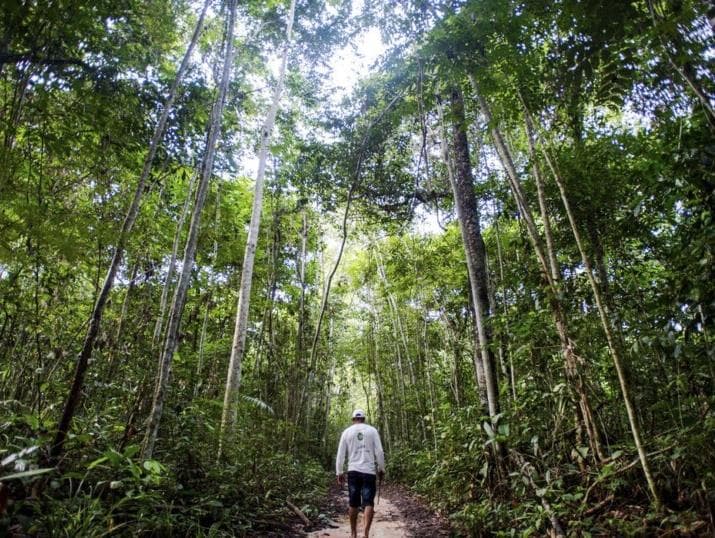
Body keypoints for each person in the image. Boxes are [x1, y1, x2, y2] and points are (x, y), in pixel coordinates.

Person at [335, 409, 386, 538]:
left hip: (353, 471)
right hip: (369, 471)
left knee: (353, 503)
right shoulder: (372, 431)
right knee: (368, 502)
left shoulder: (347, 432)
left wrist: (339, 472)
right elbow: (379, 451)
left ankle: (353, 534)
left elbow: (341, 454)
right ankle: (365, 533)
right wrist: (381, 469)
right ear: (364, 419)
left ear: (353, 420)